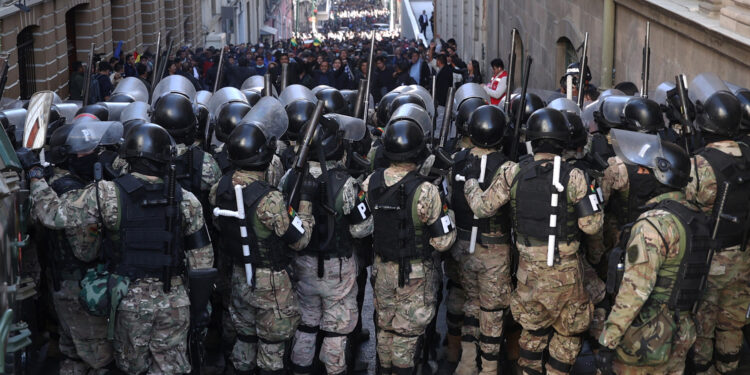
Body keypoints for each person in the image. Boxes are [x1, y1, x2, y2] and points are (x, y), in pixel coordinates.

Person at [21, 123, 215, 374]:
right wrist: (199, 307)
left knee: (131, 368)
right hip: (175, 300)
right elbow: (202, 260)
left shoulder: (107, 195)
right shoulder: (186, 199)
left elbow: (54, 215)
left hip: (127, 299)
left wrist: (36, 176)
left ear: (128, 157)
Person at [465, 108, 603, 375]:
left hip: (530, 276)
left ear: (532, 139)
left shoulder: (512, 171)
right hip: (568, 276)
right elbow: (592, 225)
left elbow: (482, 208)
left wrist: (471, 181)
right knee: (567, 340)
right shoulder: (575, 176)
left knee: (532, 338)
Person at [597, 132, 709, 375]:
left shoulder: (654, 224)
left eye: (645, 170)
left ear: (661, 174)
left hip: (646, 338)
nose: (640, 174)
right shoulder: (695, 216)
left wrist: (608, 340)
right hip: (682, 332)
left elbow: (635, 290)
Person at [210, 122, 313, 374]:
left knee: (244, 341)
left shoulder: (220, 187)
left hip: (239, 275)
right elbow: (299, 240)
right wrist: (305, 209)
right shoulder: (270, 199)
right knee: (271, 348)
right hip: (270, 281)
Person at [362, 116, 456, 373]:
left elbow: (360, 227)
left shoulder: (371, 182)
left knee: (385, 330)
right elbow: (443, 241)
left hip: (381, 269)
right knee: (406, 337)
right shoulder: (426, 191)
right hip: (415, 274)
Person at [284, 116, 373, 375]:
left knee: (306, 324)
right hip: (337, 267)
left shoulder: (290, 176)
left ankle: (301, 369)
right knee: (337, 328)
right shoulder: (346, 183)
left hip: (301, 264)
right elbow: (362, 228)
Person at [34, 123, 119, 374]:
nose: (92, 154)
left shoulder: (49, 185)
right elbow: (86, 251)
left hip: (61, 285)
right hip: (80, 289)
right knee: (99, 359)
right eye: (85, 150)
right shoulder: (72, 192)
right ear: (65, 156)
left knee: (73, 357)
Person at [685, 91, 750, 375]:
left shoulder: (699, 163)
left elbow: (686, 210)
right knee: (732, 323)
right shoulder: (748, 154)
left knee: (703, 325)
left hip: (709, 260)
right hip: (744, 256)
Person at [451, 105, 515, 374]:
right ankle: (488, 369)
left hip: (463, 247)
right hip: (494, 249)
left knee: (471, 305)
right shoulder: (510, 168)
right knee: (491, 312)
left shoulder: (458, 159)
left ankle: (466, 363)